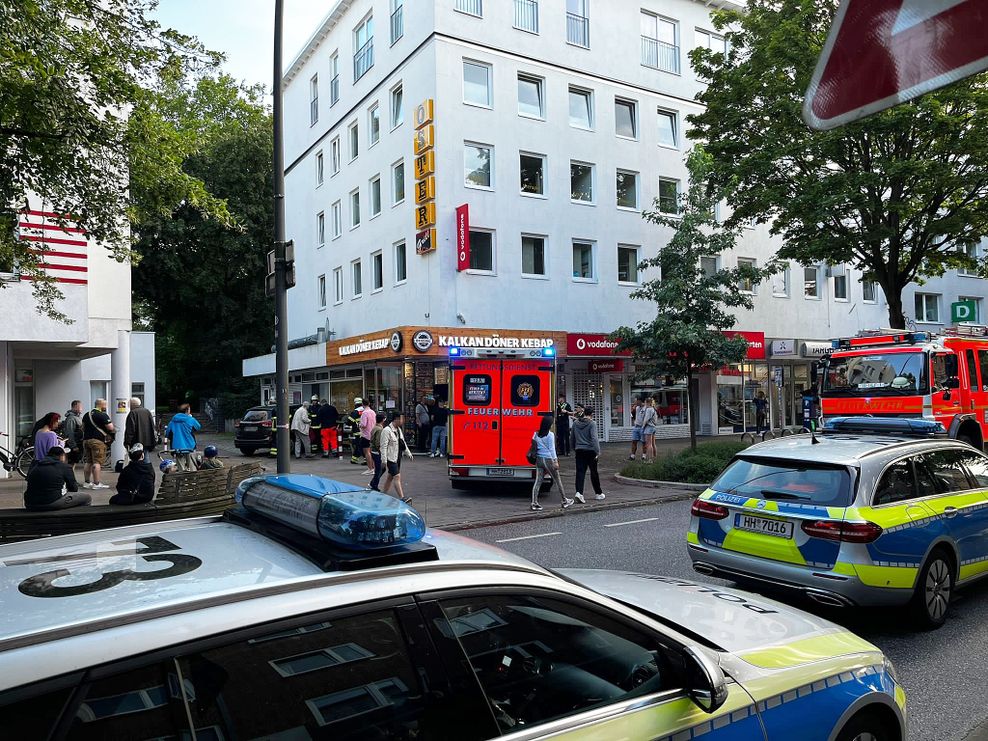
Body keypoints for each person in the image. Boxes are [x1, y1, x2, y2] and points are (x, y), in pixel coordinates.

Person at [24, 446, 91, 511]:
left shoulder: (35, 466)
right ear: (62, 456)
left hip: (30, 504)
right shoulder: (64, 467)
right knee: (87, 498)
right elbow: (73, 488)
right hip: (50, 502)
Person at [530, 416, 572, 512]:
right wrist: (555, 461)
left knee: (538, 481)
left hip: (539, 459)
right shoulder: (550, 435)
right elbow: (552, 449)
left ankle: (534, 503)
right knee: (557, 480)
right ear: (549, 425)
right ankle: (565, 501)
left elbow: (533, 445)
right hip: (548, 459)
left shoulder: (535, 434)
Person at [571, 406, 605, 503]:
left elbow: (572, 437)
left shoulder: (575, 423)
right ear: (592, 414)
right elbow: (594, 438)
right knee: (594, 472)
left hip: (579, 450)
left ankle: (579, 492)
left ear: (584, 412)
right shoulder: (592, 424)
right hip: (590, 450)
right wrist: (597, 451)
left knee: (580, 472)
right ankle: (598, 493)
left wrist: (574, 448)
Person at [380, 412, 414, 503]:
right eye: (402, 419)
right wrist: (384, 460)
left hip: (397, 457)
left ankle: (383, 494)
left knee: (390, 477)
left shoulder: (398, 429)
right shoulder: (386, 430)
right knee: (397, 476)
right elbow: (383, 446)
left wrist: (408, 453)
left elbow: (403, 443)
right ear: (396, 419)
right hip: (390, 458)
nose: (403, 421)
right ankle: (402, 498)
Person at [82, 398, 115, 490]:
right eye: (105, 405)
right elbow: (111, 428)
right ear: (100, 405)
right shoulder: (102, 415)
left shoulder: (86, 415)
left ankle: (87, 482)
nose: (106, 407)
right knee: (97, 462)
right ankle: (96, 483)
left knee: (88, 461)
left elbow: (83, 427)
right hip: (97, 441)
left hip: (86, 440)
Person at [164, 403, 201, 472]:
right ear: (187, 410)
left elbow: (167, 434)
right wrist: (190, 417)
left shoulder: (172, 421)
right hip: (190, 447)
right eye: (189, 409)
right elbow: (198, 427)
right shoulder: (190, 419)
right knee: (192, 467)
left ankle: (183, 482)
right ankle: (192, 482)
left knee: (181, 469)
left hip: (177, 448)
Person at [124, 397, 156, 461]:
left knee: (136, 459)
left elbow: (130, 430)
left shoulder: (132, 413)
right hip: (147, 440)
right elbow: (152, 426)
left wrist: (127, 442)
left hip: (136, 441)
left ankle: (141, 470)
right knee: (146, 457)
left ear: (131, 404)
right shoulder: (147, 411)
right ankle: (147, 470)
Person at [62, 400, 84, 466]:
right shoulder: (71, 419)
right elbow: (70, 433)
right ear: (74, 407)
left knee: (73, 463)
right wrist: (73, 446)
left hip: (78, 443)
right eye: (80, 406)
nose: (81, 408)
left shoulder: (78, 417)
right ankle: (68, 475)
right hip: (74, 445)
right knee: (70, 463)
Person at [358, 399, 377, 475]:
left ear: (362, 404)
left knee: (367, 452)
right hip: (372, 434)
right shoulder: (373, 412)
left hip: (366, 435)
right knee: (372, 452)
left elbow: (363, 424)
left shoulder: (364, 413)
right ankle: (374, 468)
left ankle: (370, 468)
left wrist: (359, 424)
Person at [369, 412, 386, 490]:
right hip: (377, 452)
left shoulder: (375, 427)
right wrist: (381, 452)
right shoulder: (380, 429)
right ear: (383, 420)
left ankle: (374, 482)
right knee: (380, 469)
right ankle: (374, 484)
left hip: (373, 451)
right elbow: (378, 442)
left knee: (380, 469)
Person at [345, 399, 364, 464]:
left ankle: (366, 460)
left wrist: (347, 422)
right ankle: (354, 459)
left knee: (360, 446)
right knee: (360, 445)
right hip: (365, 432)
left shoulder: (355, 412)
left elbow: (349, 422)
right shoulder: (365, 410)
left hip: (357, 431)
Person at [641, 397, 659, 462]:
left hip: (649, 427)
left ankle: (650, 459)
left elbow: (646, 419)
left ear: (647, 402)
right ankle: (654, 457)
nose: (644, 404)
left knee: (648, 444)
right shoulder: (653, 409)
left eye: (645, 402)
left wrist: (643, 426)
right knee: (653, 444)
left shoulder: (649, 409)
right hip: (653, 427)